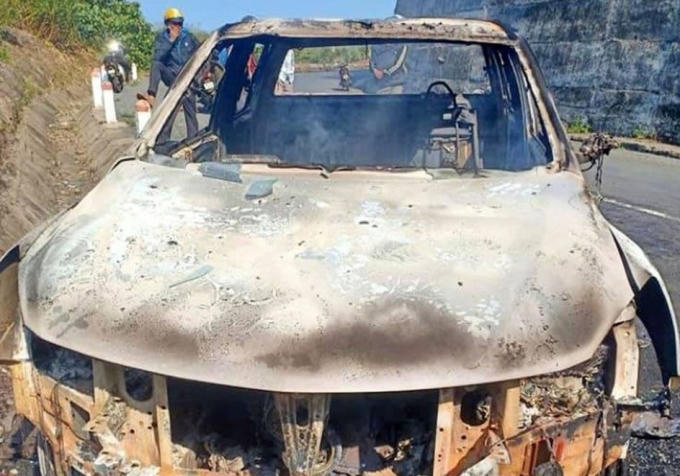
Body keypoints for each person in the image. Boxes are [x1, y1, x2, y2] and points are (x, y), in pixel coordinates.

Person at [138, 8, 200, 141]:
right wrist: (171, 40)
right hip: (171, 76)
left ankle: (193, 141)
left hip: (187, 78)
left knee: (188, 111)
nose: (177, 26)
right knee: (156, 64)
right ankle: (151, 96)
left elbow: (201, 53)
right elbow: (158, 57)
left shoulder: (189, 37)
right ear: (167, 24)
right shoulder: (162, 38)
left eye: (180, 23)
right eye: (174, 23)